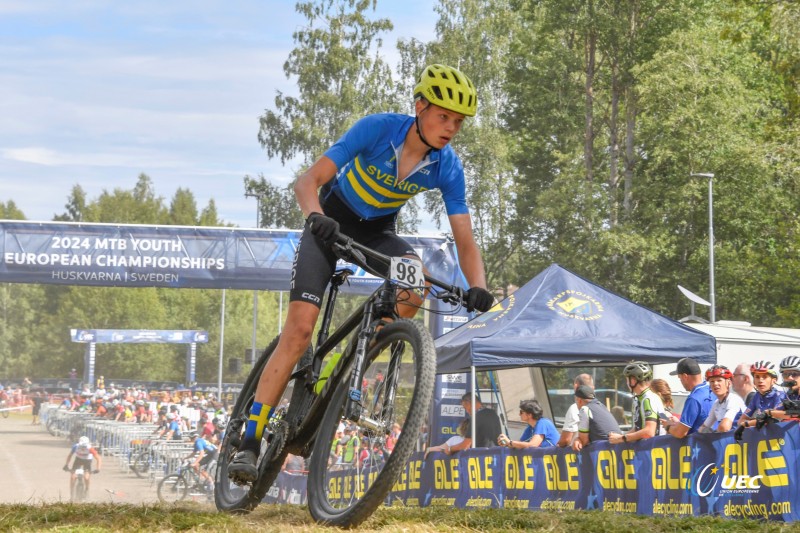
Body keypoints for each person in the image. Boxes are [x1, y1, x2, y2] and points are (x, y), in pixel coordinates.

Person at [228, 63, 494, 482]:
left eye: (458, 121)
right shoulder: (377, 130)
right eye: (443, 116)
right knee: (298, 333)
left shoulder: (447, 166)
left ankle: (360, 356)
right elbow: (307, 181)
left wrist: (477, 287)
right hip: (328, 225)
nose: (451, 127)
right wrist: (316, 217)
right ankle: (249, 438)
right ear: (420, 106)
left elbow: (465, 240)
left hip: (377, 233)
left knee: (415, 284)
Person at [609, 362, 664, 445]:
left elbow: (649, 432)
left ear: (633, 381)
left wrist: (622, 438)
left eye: (627, 380)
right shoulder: (641, 398)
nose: (627, 383)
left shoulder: (648, 399)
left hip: (652, 451)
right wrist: (620, 436)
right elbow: (638, 428)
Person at [662, 357, 714, 438]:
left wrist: (668, 426)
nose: (681, 382)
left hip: (700, 447)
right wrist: (679, 423)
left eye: (680, 379)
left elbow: (680, 433)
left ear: (685, 376)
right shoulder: (712, 390)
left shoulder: (694, 398)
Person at [734, 360, 786, 440]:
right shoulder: (756, 396)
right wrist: (748, 423)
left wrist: (746, 424)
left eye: (764, 377)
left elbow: (769, 421)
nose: (760, 380)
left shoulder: (780, 395)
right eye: (757, 377)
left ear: (774, 380)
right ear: (753, 380)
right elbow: (741, 421)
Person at [698, 365, 746, 433]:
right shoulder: (716, 403)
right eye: (712, 381)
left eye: (719, 380)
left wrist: (712, 433)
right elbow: (703, 427)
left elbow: (725, 427)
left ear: (728, 383)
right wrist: (704, 430)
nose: (715, 384)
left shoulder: (733, 399)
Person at [572, 385, 620, 451]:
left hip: (605, 452)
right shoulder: (602, 406)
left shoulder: (584, 409)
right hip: (618, 449)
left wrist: (577, 439)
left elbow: (584, 441)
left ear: (579, 400)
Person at [556, 373, 594, 448]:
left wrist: (557, 445)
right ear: (593, 387)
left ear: (576, 386)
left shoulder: (575, 408)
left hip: (578, 454)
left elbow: (566, 440)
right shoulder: (599, 406)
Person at [768, 355, 800, 421]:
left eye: (794, 374)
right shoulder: (789, 395)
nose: (789, 378)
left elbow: (797, 413)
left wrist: (770, 413)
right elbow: (777, 411)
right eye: (785, 375)